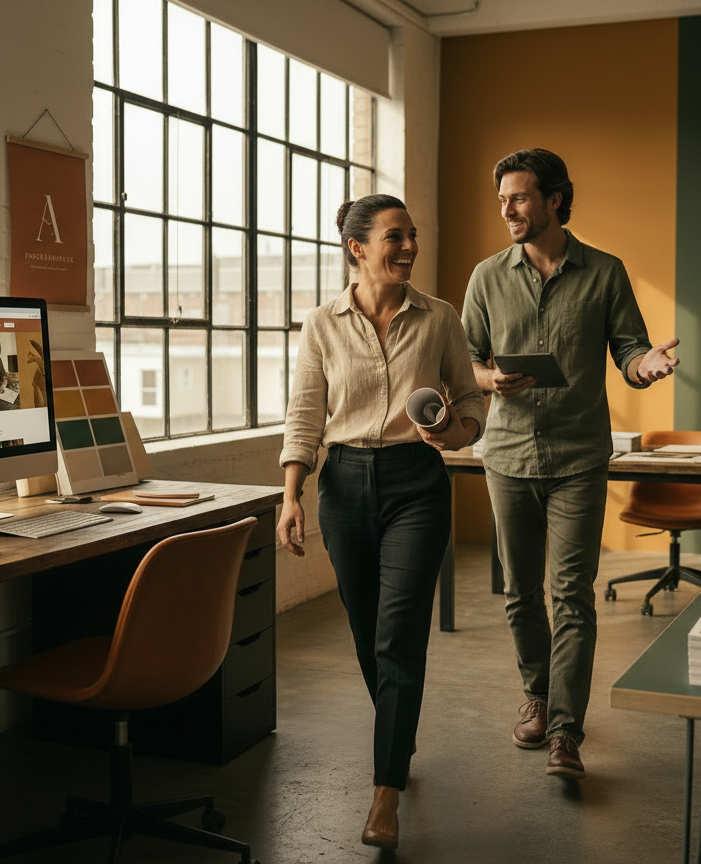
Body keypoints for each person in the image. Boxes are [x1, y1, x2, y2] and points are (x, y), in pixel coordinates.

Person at [460, 148, 679, 780]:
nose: (507, 209)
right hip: (505, 456)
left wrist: (647, 366)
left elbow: (631, 350)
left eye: (520, 197)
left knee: (571, 595)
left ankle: (565, 732)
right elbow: (467, 359)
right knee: (521, 595)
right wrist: (489, 378)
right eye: (502, 198)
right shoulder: (486, 277)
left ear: (555, 200)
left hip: (580, 457)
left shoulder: (605, 272)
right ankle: (537, 695)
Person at [277, 194, 485, 850]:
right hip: (341, 487)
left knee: (398, 635)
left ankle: (386, 788)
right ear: (357, 248)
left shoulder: (440, 318)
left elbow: (472, 399)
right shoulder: (322, 324)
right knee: (368, 631)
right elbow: (306, 411)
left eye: (413, 236)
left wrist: (456, 432)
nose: (409, 248)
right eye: (395, 237)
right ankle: (400, 723)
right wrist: (290, 496)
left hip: (415, 485)